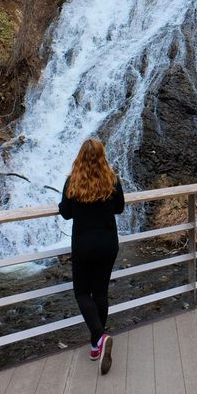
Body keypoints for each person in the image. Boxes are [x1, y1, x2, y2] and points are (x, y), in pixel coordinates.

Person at [59, 138, 125, 374]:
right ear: (102, 157)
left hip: (84, 245)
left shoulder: (72, 182)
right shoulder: (112, 180)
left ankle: (99, 336)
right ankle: (96, 345)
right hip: (108, 244)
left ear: (80, 158)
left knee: (81, 292)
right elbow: (119, 208)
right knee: (100, 292)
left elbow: (65, 214)